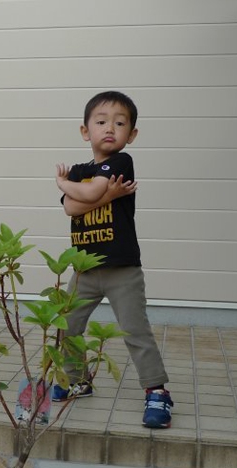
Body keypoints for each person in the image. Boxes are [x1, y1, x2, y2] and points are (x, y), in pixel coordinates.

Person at [54, 90, 173, 429]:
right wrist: (108, 194)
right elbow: (69, 208)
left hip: (122, 268)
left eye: (120, 123)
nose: (110, 129)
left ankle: (157, 391)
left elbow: (86, 195)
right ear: (84, 130)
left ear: (131, 135)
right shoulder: (80, 168)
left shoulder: (120, 162)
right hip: (84, 269)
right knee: (69, 326)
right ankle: (78, 379)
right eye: (101, 122)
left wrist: (65, 183)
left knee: (135, 330)